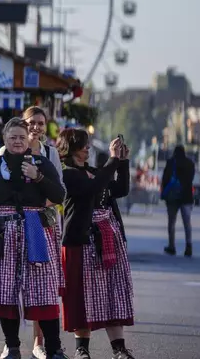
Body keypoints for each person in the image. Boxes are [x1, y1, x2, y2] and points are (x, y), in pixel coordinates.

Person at [0, 118, 67, 359]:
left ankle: (54, 348)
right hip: (2, 229)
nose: (17, 141)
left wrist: (38, 177)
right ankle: (12, 345)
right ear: (5, 140)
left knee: (43, 290)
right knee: (6, 291)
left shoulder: (42, 164)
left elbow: (59, 194)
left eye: (21, 138)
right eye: (13, 137)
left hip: (35, 226)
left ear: (29, 140)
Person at [57, 128, 135, 359]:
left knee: (112, 293)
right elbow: (92, 188)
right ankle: (82, 349)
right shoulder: (68, 174)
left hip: (106, 238)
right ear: (71, 148)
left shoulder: (91, 171)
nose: (88, 147)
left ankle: (119, 349)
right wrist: (112, 160)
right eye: (83, 144)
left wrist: (123, 162)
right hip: (80, 241)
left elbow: (119, 189)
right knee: (82, 296)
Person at [160, 145, 195, 257]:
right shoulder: (190, 163)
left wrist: (164, 194)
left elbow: (165, 179)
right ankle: (188, 246)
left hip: (172, 198)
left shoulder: (170, 163)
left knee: (171, 223)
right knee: (187, 223)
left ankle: (172, 246)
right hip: (186, 197)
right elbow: (191, 179)